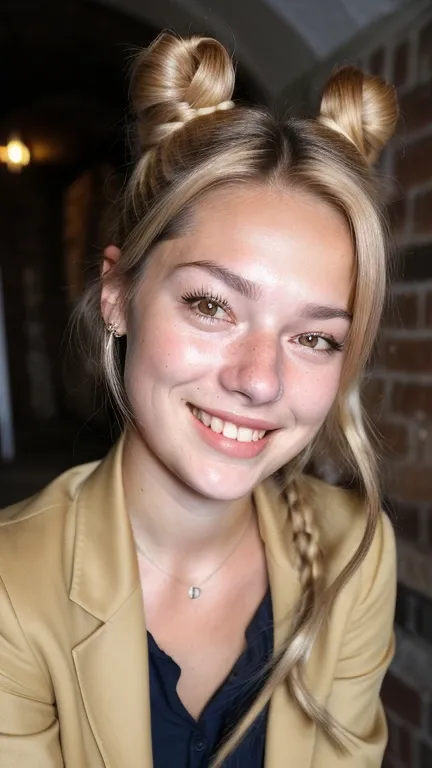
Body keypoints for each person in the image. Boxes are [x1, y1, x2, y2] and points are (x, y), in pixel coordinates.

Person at [0, 32, 399, 768]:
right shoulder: (9, 588)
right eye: (213, 306)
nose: (259, 380)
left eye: (315, 338)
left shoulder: (357, 554)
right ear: (118, 296)